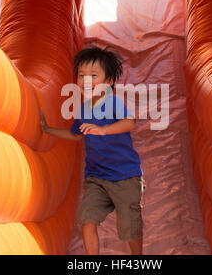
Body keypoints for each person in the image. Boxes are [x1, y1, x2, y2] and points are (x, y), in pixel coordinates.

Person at [40, 46, 145, 255]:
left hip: (125, 177)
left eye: (93, 76)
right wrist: (47, 129)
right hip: (96, 178)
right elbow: (75, 135)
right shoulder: (83, 109)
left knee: (128, 227)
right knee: (87, 218)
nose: (86, 80)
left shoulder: (113, 102)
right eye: (81, 75)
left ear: (108, 82)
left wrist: (103, 130)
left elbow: (129, 123)